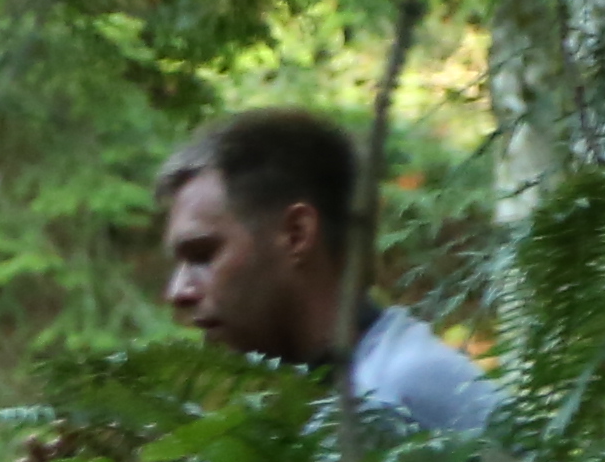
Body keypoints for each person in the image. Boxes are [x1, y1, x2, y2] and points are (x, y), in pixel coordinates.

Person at [155, 108, 498, 437]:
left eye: (202, 255)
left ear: (296, 235)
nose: (178, 292)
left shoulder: (400, 390)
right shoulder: (323, 394)